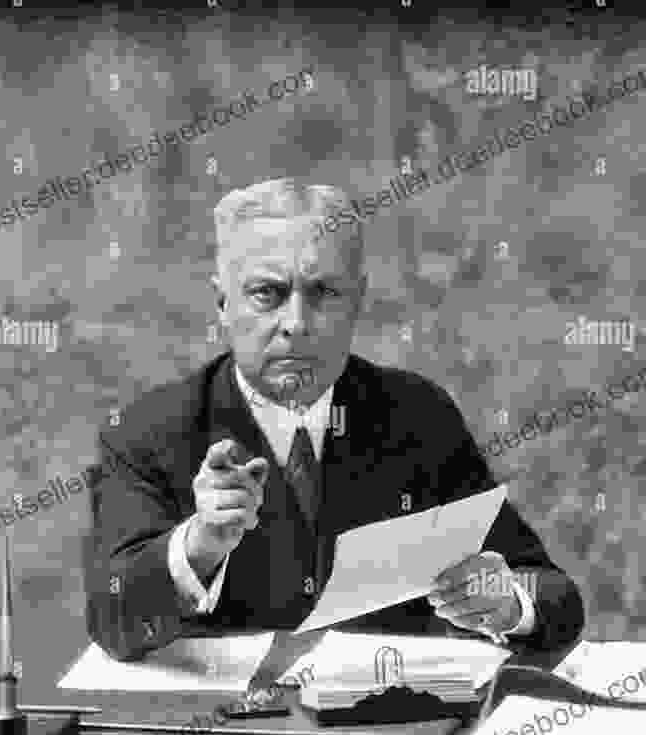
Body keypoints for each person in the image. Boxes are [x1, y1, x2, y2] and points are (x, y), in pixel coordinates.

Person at [85, 178, 584, 661]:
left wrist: (507, 605)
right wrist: (199, 547)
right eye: (267, 293)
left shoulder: (417, 414)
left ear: (358, 301)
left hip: (387, 729)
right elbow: (113, 623)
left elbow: (555, 597)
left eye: (323, 293)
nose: (297, 324)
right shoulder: (147, 433)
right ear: (222, 302)